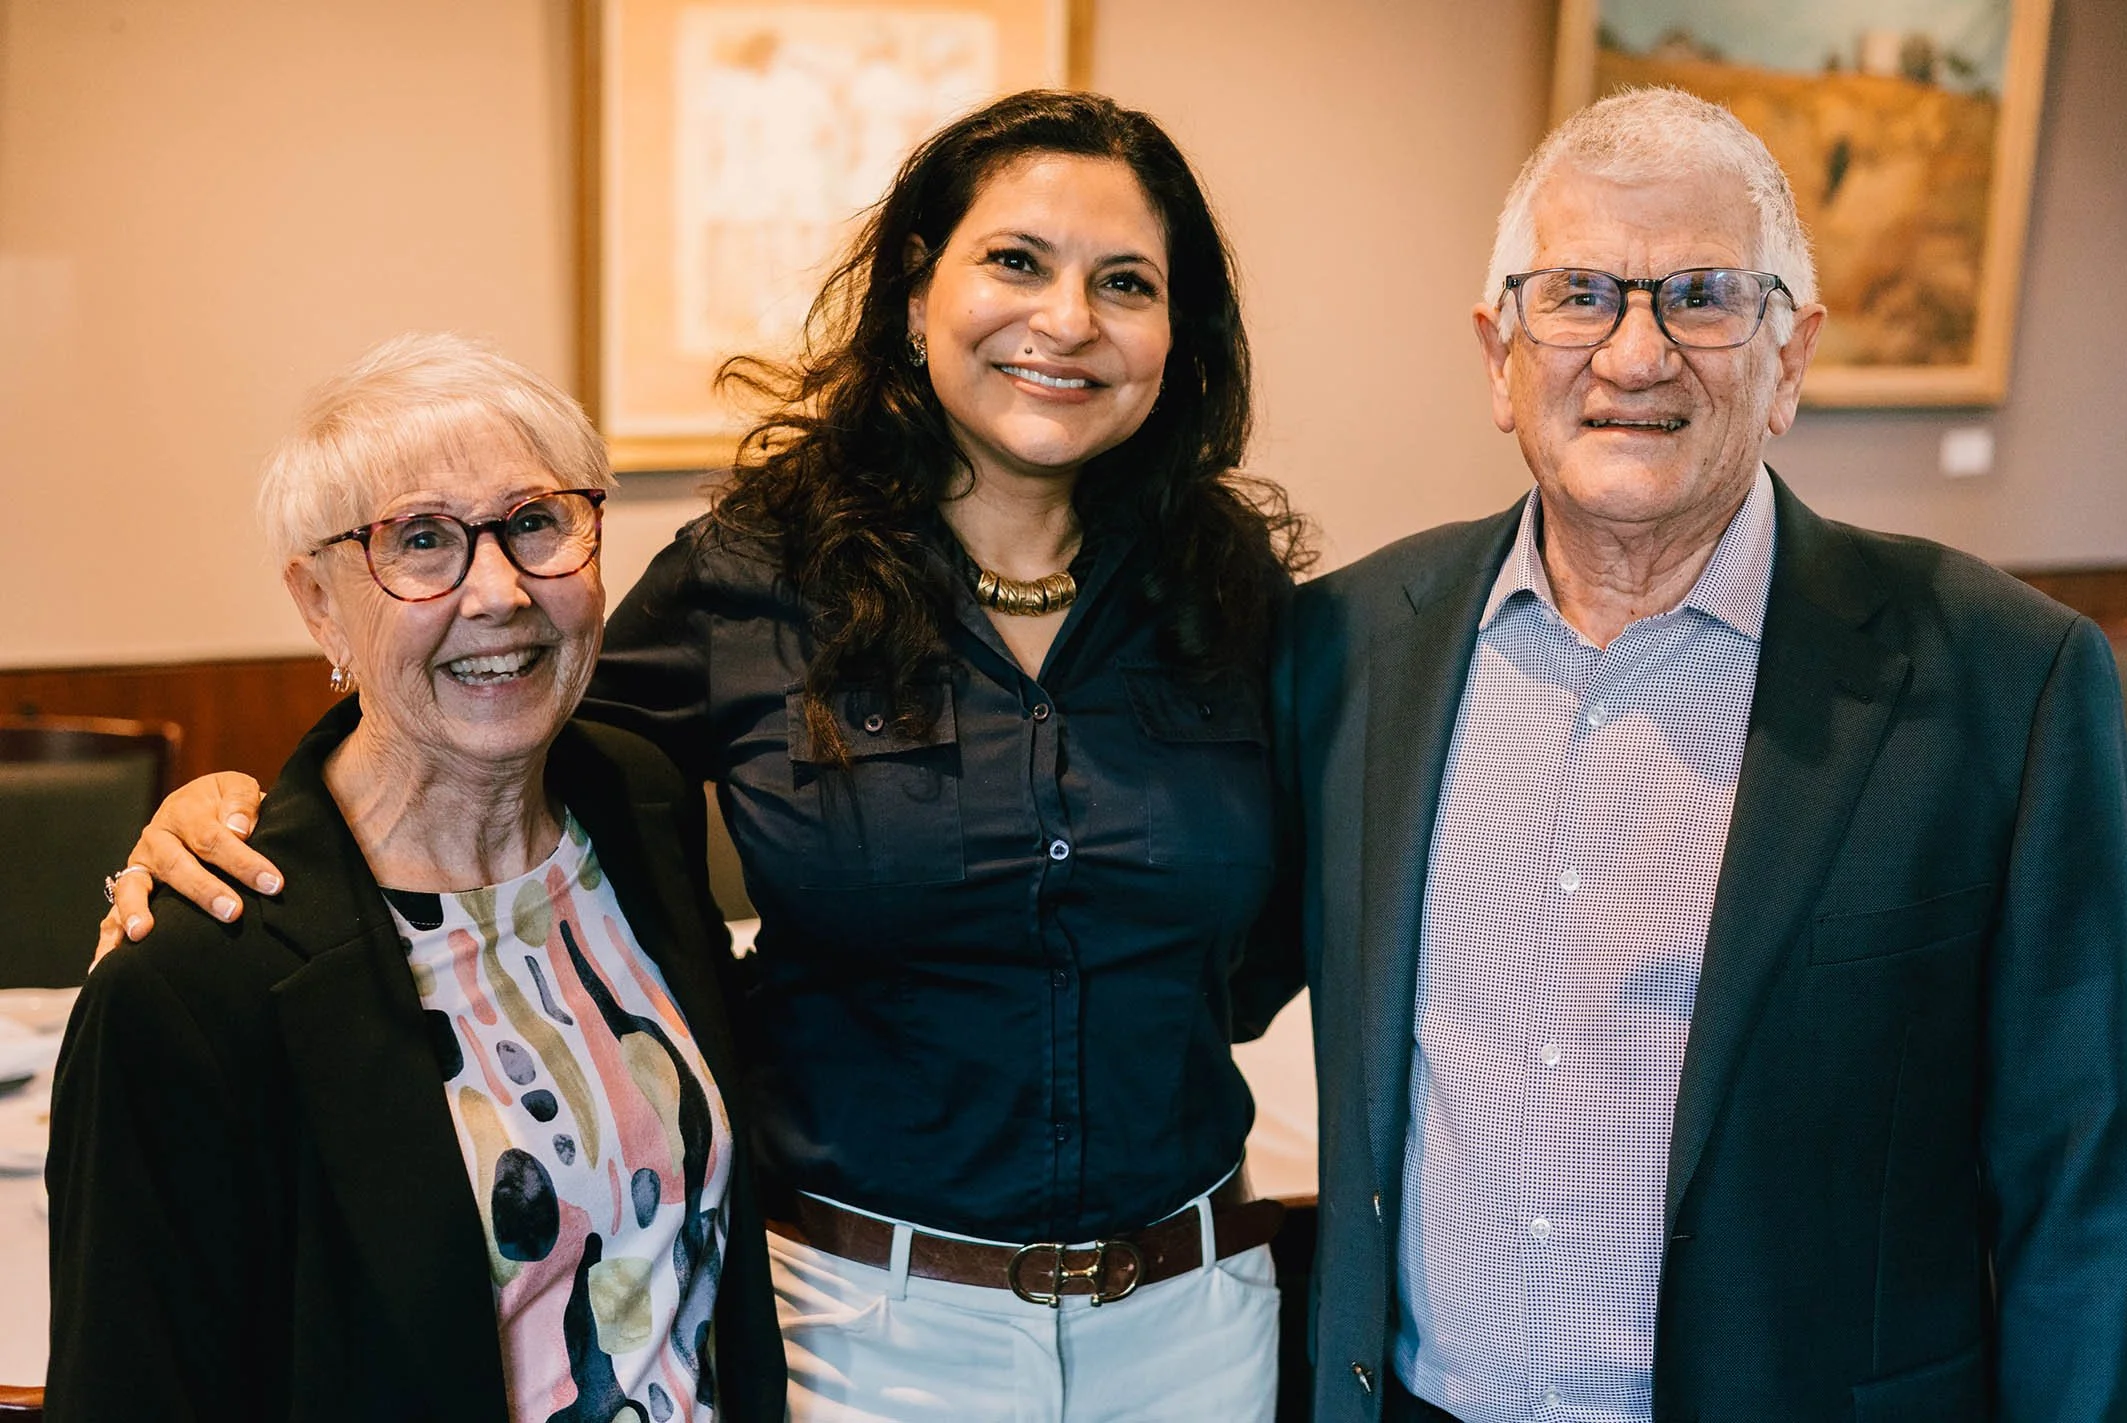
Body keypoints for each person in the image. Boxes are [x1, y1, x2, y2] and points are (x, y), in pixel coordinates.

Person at [96, 91, 1308, 1421]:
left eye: (1123, 281)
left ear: (1175, 332)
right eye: (1015, 260)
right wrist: (242, 811)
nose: (1066, 318)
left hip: (1192, 1317)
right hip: (864, 1330)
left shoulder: (1223, 586)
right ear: (916, 289)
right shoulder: (756, 575)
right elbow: (486, 732)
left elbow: (1274, 927)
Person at [1263, 88, 2127, 1422]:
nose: (1632, 354)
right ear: (1497, 355)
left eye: (1702, 296)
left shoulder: (2005, 680)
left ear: (1788, 358)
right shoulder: (1346, 645)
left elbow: (2079, 1180)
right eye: (1578, 295)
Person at [49, 335, 784, 1421]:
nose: (497, 592)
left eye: (536, 523)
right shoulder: (197, 980)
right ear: (318, 602)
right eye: (422, 541)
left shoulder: (636, 806)